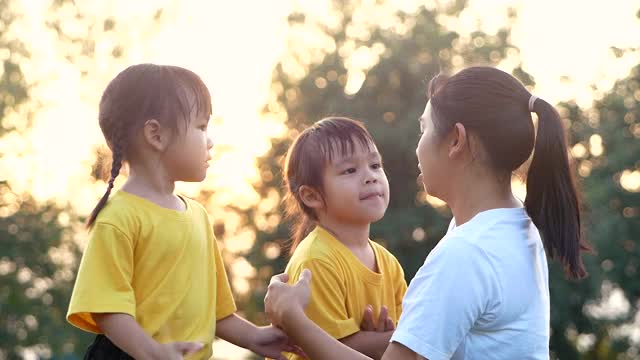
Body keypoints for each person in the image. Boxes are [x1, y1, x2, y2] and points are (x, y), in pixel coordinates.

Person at [264, 66, 590, 360]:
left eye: (424, 129)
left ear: (455, 141)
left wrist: (293, 319)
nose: (417, 146)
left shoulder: (467, 254)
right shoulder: (514, 227)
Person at [67, 64, 299, 360]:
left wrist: (255, 336)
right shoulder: (119, 217)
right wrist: (153, 352)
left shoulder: (198, 217)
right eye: (201, 127)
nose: (210, 140)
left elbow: (215, 312)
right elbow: (106, 308)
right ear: (156, 134)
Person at [281, 117, 407, 359]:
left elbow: (405, 332)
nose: (371, 176)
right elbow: (327, 348)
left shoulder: (389, 263)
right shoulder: (316, 261)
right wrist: (380, 341)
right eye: (350, 170)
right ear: (312, 196)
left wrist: (372, 340)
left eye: (375, 165)